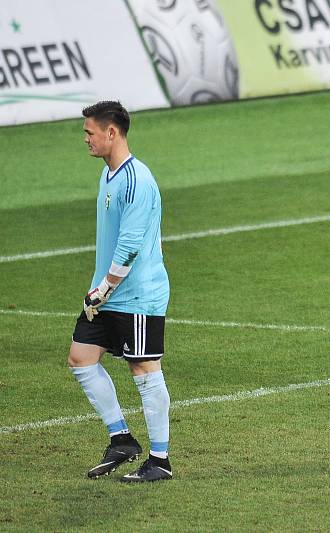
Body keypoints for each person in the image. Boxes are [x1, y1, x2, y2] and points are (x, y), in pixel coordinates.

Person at [68, 101, 173, 482]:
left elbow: (129, 245)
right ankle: (121, 438)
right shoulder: (109, 174)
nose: (86, 139)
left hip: (137, 294)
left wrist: (103, 289)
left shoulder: (137, 180)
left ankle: (160, 460)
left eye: (90, 132)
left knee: (143, 369)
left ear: (111, 133)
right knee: (81, 358)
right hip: (109, 292)